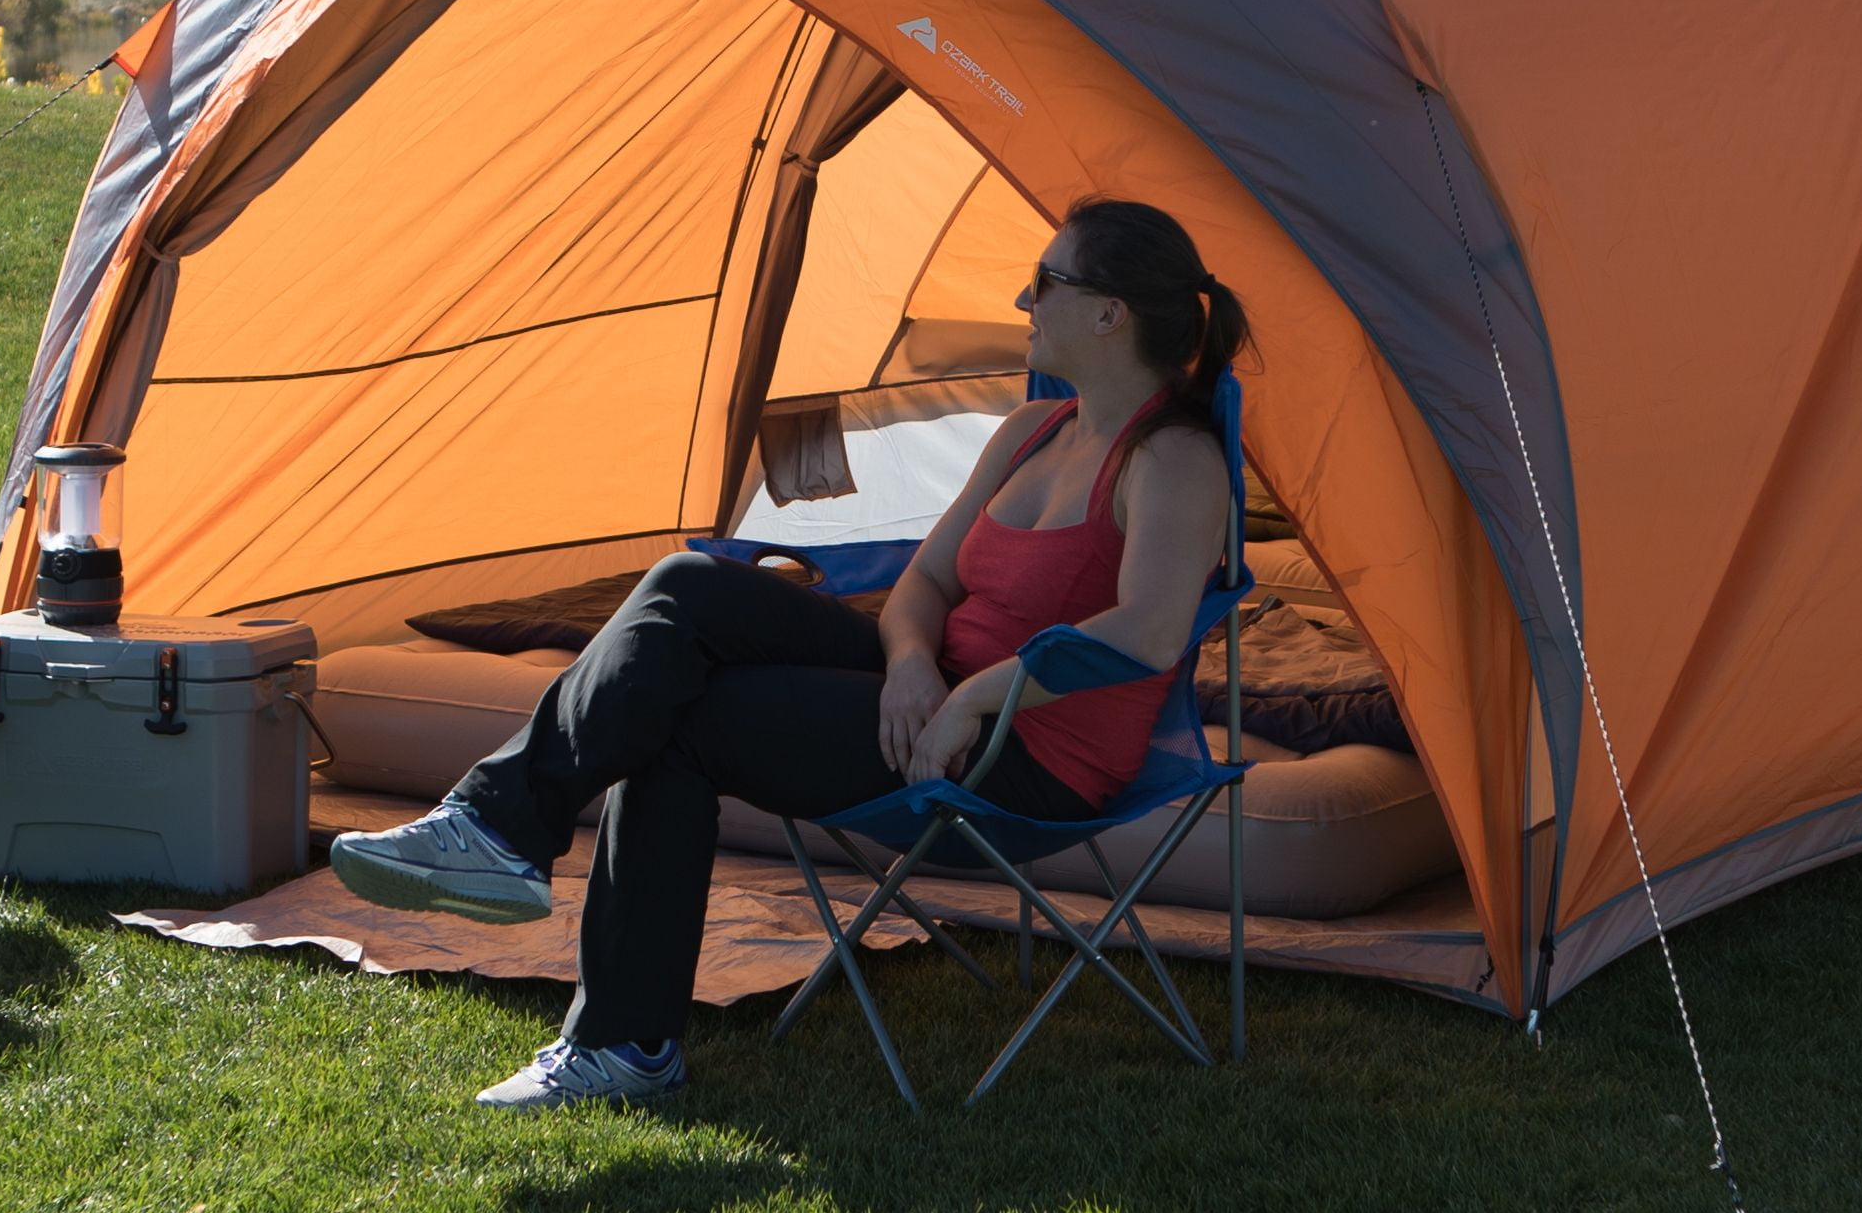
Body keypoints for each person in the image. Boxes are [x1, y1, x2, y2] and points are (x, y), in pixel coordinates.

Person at [332, 198, 1246, 1108]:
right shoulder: (1031, 433)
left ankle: (623, 1040)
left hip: (1022, 761)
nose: (1021, 299)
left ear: (1109, 313)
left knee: (679, 721)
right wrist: (913, 666)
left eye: (1044, 281)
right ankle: (495, 828)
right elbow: (924, 583)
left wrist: (975, 701)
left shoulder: (1174, 460)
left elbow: (1150, 631)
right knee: (687, 584)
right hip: (934, 698)